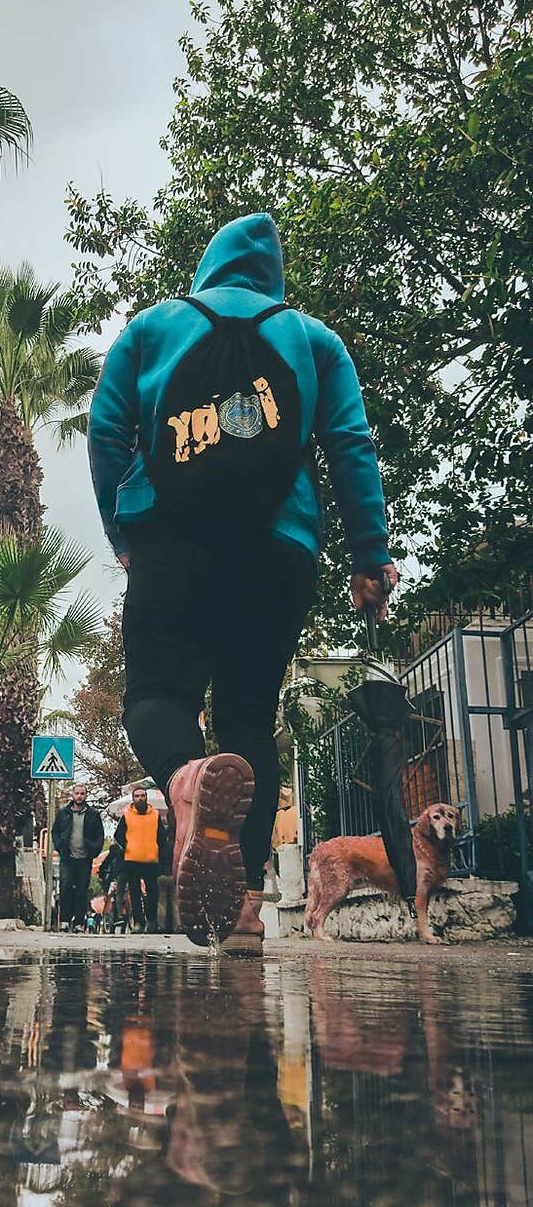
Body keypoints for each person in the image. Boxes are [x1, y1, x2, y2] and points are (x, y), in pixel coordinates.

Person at [88, 212, 397, 953]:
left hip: (173, 541)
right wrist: (368, 556)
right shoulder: (316, 341)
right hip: (277, 550)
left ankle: (187, 778)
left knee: (156, 699)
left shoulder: (153, 326)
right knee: (250, 719)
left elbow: (105, 429)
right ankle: (244, 912)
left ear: (209, 265)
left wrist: (124, 533)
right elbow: (350, 446)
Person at [113, 784, 169, 933]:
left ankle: (151, 920)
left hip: (151, 858)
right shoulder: (127, 814)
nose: (140, 798)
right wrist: (128, 845)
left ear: (146, 798)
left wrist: (159, 851)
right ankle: (139, 922)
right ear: (133, 799)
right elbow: (118, 835)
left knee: (153, 892)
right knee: (135, 891)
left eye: (142, 796)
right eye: (137, 796)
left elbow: (162, 837)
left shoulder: (155, 815)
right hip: (132, 859)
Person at [52, 783, 105, 931]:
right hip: (67, 857)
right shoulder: (63, 812)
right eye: (77, 793)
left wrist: (94, 849)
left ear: (86, 795)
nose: (79, 796)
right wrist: (59, 845)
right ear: (72, 795)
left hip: (85, 858)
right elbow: (54, 831)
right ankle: (64, 920)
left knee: (82, 890)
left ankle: (79, 922)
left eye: (82, 793)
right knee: (66, 887)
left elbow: (100, 835)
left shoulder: (93, 814)